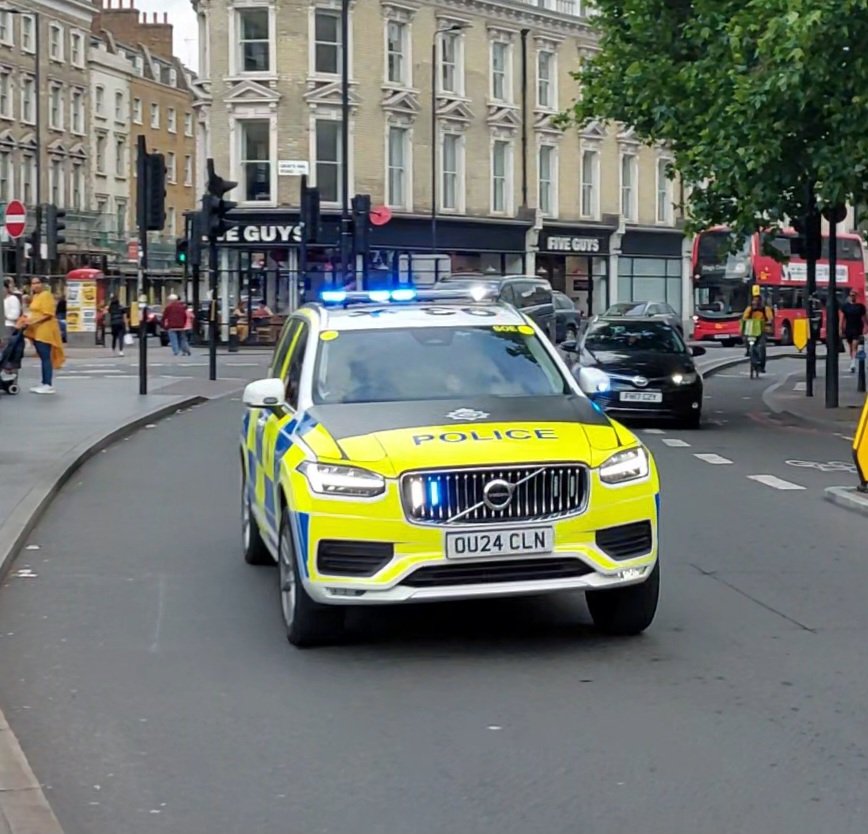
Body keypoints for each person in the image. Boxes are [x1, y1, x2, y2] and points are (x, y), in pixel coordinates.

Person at [23, 276, 65, 394]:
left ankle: (48, 384)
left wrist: (33, 321)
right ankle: (44, 382)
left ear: (43, 284)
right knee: (43, 357)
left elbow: (48, 314)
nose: (35, 285)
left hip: (45, 330)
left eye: (37, 283)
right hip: (36, 330)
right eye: (33, 283)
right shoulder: (36, 296)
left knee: (46, 357)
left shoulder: (46, 295)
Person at [741, 292, 773, 373]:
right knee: (746, 340)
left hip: (761, 331)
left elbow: (770, 318)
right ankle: (748, 350)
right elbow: (744, 318)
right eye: (753, 300)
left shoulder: (765, 309)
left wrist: (767, 323)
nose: (754, 302)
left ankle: (761, 366)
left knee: (762, 347)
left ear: (760, 302)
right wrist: (743, 326)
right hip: (751, 331)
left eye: (756, 300)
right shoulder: (749, 309)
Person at [840, 290, 867, 372]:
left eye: (854, 295)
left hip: (858, 328)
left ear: (856, 296)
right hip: (848, 328)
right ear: (849, 296)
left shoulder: (860, 307)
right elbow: (842, 319)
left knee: (855, 345)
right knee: (850, 346)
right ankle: (852, 361)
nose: (852, 297)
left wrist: (866, 327)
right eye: (851, 295)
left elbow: (864, 318)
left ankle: (853, 364)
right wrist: (840, 329)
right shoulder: (845, 307)